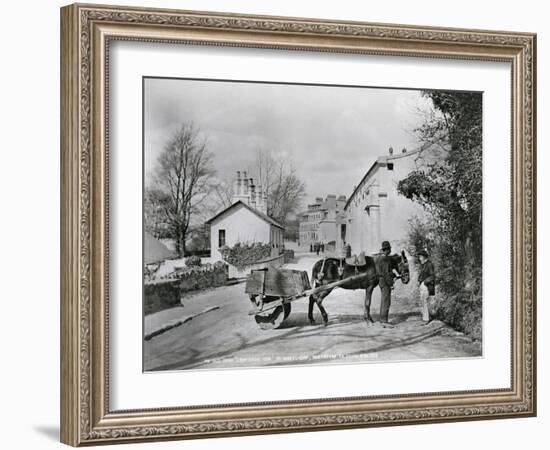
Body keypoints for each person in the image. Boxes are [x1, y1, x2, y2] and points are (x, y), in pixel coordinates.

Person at [376, 241, 396, 326]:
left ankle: (382, 319)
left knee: (384, 300)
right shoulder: (384, 259)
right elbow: (386, 273)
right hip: (385, 282)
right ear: (386, 250)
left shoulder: (379, 258)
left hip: (381, 281)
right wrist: (391, 284)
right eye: (389, 249)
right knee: (386, 301)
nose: (390, 250)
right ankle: (384, 321)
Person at [417, 250, 436, 323]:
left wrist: (425, 282)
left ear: (424, 257)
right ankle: (425, 317)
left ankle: (426, 319)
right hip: (423, 285)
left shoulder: (429, 264)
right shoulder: (424, 264)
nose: (419, 258)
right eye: (419, 257)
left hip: (426, 286)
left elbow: (432, 276)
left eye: (420, 256)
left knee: (425, 301)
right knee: (422, 301)